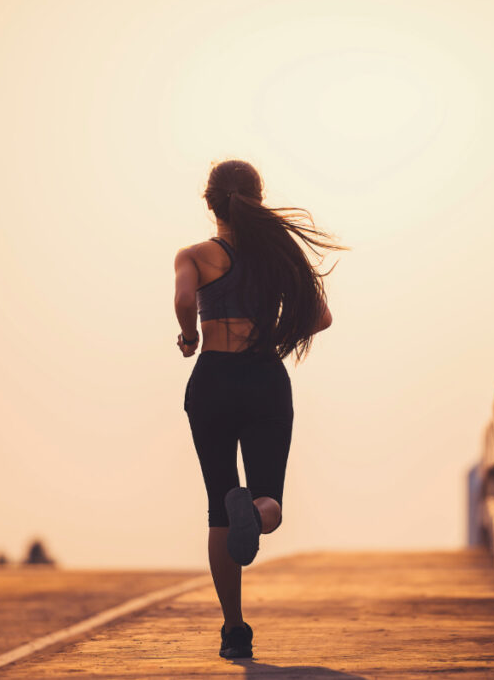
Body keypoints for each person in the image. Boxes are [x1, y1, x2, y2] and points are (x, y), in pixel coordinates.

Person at [173, 159, 347, 659]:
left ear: (211, 202)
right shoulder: (278, 256)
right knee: (270, 499)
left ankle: (234, 629)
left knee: (216, 507)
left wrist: (189, 336)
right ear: (258, 199)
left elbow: (185, 299)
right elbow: (321, 316)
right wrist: (273, 338)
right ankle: (255, 511)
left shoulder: (195, 254)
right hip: (264, 378)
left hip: (212, 380)